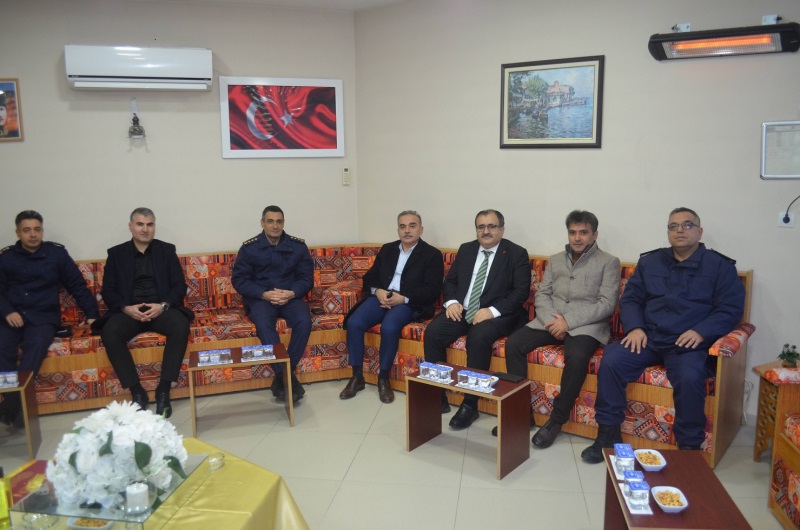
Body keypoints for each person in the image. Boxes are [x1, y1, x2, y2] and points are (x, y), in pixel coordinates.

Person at [581, 207, 745, 463]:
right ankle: (608, 434)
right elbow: (631, 299)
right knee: (612, 360)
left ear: (700, 231)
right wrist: (635, 327)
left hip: (687, 344)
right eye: (673, 226)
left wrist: (702, 331)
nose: (680, 230)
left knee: (690, 377)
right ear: (668, 232)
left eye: (687, 225)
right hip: (648, 337)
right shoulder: (651, 262)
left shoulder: (719, 266)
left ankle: (689, 450)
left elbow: (730, 309)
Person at [503, 210, 620, 447]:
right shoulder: (555, 259)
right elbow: (543, 294)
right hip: (549, 320)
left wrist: (568, 322)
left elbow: (607, 304)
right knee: (513, 344)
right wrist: (552, 321)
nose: (577, 237)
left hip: (586, 325)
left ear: (595, 234)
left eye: (583, 232)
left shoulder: (609, 262)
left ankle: (556, 420)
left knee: (577, 357)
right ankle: (521, 414)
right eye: (572, 232)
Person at [423, 209, 530, 429]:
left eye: (491, 226)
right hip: (463, 309)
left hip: (499, 313)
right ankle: (437, 395)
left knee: (478, 336)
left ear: (502, 229)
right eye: (481, 227)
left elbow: (521, 292)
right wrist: (452, 301)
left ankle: (470, 404)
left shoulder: (516, 253)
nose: (486, 231)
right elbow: (450, 282)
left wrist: (492, 311)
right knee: (433, 332)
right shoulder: (467, 249)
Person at [0, 210, 99, 426]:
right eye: (27, 230)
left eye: (37, 229)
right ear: (18, 232)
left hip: (42, 317)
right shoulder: (6, 258)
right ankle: (12, 399)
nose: (33, 235)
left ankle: (12, 403)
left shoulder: (56, 254)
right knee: (2, 350)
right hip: (12, 316)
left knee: (34, 349)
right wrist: (7, 311)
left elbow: (77, 285)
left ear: (42, 231)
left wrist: (93, 315)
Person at [94, 208, 194, 418]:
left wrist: (163, 306)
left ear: (154, 227)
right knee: (110, 332)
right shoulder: (116, 254)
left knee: (181, 325)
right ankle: (137, 392)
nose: (145, 229)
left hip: (160, 310)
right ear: (131, 226)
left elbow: (179, 286)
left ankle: (163, 389)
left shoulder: (166, 251)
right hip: (130, 311)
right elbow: (108, 290)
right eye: (140, 224)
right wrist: (125, 308)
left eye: (149, 224)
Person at [340, 210, 443, 403]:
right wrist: (377, 290)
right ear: (398, 230)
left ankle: (383, 378)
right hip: (382, 297)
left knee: (389, 327)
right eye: (402, 226)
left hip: (408, 302)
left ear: (421, 230)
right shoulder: (388, 249)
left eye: (412, 226)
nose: (407, 230)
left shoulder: (432, 255)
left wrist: (403, 299)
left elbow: (432, 290)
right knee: (354, 323)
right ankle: (357, 377)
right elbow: (369, 277)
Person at [232, 205, 313, 403]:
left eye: (279, 221)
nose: (275, 226)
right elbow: (239, 280)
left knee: (304, 321)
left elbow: (306, 278)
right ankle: (287, 377)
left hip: (290, 297)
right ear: (262, 223)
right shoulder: (249, 248)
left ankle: (282, 376)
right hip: (262, 299)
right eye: (270, 221)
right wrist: (264, 294)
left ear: (283, 223)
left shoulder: (298, 247)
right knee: (263, 325)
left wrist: (291, 293)